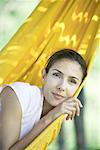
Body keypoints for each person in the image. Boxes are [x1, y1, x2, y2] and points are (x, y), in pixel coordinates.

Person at [0, 49, 87, 150]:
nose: (62, 86)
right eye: (56, 75)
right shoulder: (19, 94)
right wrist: (48, 119)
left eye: (72, 81)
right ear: (44, 75)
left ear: (78, 88)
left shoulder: (59, 114)